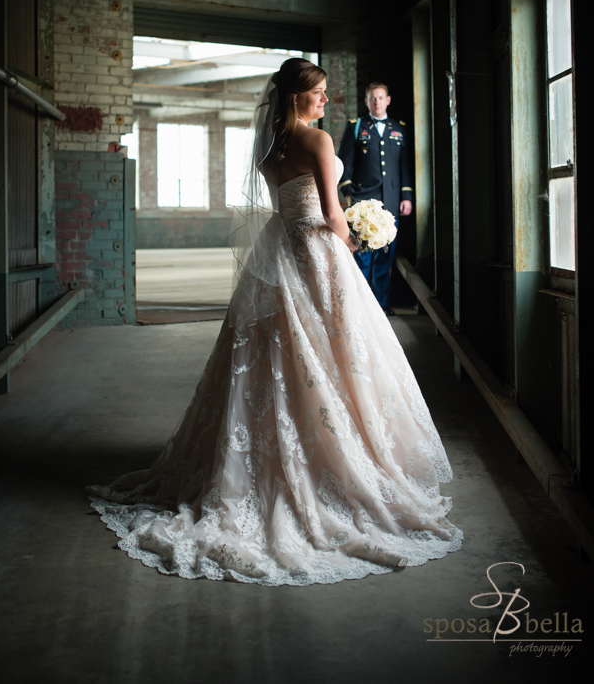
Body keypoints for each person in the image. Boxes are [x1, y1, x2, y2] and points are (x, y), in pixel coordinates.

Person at [87, 58, 462, 586]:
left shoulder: (270, 150)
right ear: (296, 97)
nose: (328, 101)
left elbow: (286, 208)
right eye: (320, 93)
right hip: (317, 254)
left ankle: (271, 457)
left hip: (281, 251)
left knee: (275, 355)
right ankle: (327, 464)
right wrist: (356, 238)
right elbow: (332, 214)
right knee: (333, 352)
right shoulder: (319, 142)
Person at [338, 83, 413, 316]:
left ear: (388, 100)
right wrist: (349, 191)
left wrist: (407, 196)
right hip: (363, 203)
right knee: (361, 256)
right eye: (373, 98)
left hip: (390, 202)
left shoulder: (399, 128)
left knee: (384, 256)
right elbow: (344, 163)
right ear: (366, 101)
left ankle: (380, 305)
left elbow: (405, 165)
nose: (377, 102)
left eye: (381, 98)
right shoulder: (356, 127)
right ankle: (361, 306)